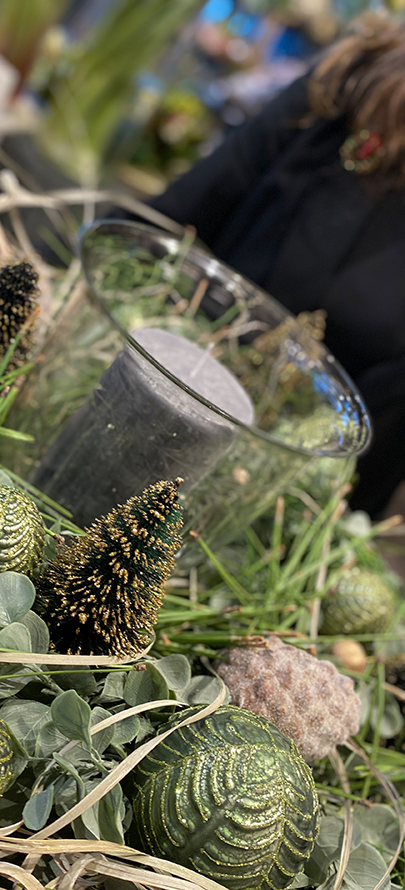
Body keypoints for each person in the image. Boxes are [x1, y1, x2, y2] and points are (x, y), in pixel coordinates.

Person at [136, 16, 405, 518]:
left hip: (273, 500)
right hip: (169, 380)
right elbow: (181, 210)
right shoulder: (350, 81)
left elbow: (380, 440)